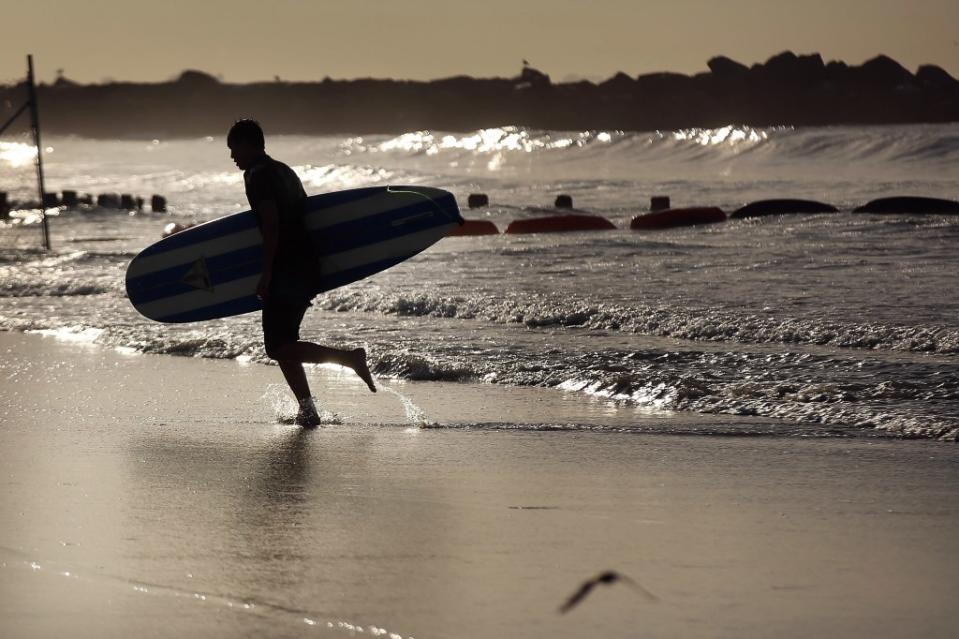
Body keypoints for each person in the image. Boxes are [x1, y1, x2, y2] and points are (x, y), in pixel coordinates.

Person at [227, 119, 376, 427]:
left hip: (287, 266)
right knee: (284, 342)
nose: (232, 156)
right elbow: (305, 215)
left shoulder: (257, 176)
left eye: (235, 148)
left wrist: (266, 272)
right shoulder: (284, 170)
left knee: (279, 346)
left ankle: (349, 359)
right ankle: (308, 410)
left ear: (250, 144)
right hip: (306, 262)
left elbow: (272, 226)